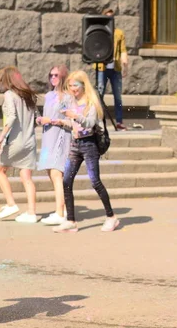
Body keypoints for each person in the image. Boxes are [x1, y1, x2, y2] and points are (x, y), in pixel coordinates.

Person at [53, 70, 120, 233]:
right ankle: (71, 221)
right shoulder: (73, 103)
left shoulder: (91, 102)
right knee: (66, 181)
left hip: (90, 145)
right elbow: (74, 124)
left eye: (75, 85)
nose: (72, 89)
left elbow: (89, 123)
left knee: (95, 181)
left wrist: (74, 116)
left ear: (83, 85)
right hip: (75, 145)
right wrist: (62, 122)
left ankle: (111, 217)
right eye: (70, 86)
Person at [0, 67, 39, 223]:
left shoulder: (9, 95)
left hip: (15, 141)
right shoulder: (28, 96)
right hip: (30, 141)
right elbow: (36, 119)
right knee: (26, 176)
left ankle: (11, 203)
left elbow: (11, 117)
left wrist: (1, 137)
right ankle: (32, 213)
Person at [37, 65, 73, 226]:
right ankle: (62, 207)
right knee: (49, 171)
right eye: (51, 75)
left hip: (60, 137)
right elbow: (46, 116)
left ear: (63, 77)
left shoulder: (67, 97)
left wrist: (53, 121)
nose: (53, 78)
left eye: (56, 75)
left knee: (57, 173)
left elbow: (72, 121)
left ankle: (60, 212)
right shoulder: (49, 95)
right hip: (47, 138)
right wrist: (41, 120)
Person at [94, 8, 128, 131]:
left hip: (115, 68)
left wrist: (125, 65)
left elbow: (123, 49)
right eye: (107, 17)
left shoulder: (118, 33)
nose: (110, 19)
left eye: (112, 17)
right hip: (102, 67)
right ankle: (98, 120)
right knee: (99, 94)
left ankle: (119, 122)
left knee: (118, 96)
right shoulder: (99, 32)